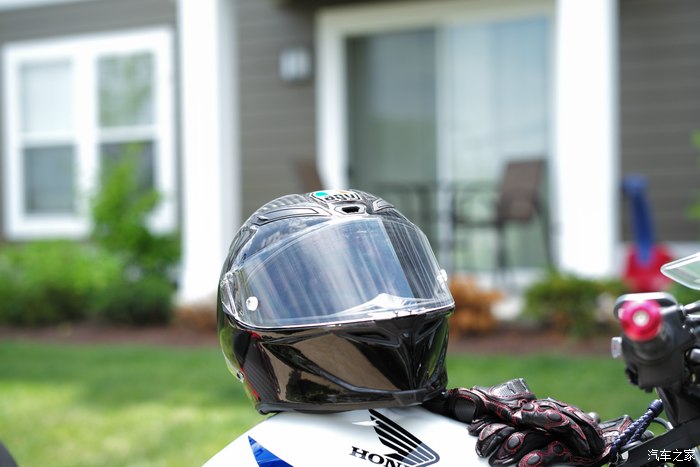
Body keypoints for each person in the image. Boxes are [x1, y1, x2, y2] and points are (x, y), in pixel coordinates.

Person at [207, 189, 629, 466]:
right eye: (333, 289)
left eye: (389, 282)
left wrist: (635, 454)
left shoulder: (484, 437)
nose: (383, 306)